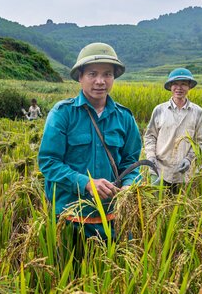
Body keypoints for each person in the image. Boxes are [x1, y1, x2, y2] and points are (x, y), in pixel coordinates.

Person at [38, 42, 142, 240]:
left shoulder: (125, 118)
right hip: (69, 219)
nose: (100, 81)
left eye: (107, 74)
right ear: (80, 77)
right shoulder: (63, 114)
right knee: (69, 270)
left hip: (112, 218)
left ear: (114, 77)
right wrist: (86, 183)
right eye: (92, 74)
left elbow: (132, 163)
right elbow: (48, 162)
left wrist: (129, 185)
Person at [144, 68, 202, 194]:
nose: (179, 88)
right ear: (170, 86)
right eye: (175, 84)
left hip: (184, 172)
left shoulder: (197, 112)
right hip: (160, 169)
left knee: (180, 210)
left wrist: (188, 159)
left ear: (189, 87)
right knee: (157, 207)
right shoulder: (159, 110)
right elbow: (150, 136)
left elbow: (199, 142)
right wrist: (151, 157)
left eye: (183, 84)